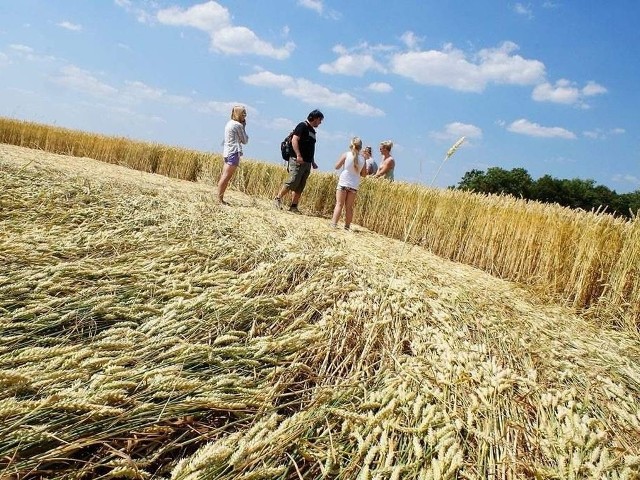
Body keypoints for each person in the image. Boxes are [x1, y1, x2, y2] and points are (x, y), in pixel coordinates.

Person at [273, 109, 324, 213]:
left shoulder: (313, 131)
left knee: (301, 184)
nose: (320, 122)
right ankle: (277, 198)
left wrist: (312, 161)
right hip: (297, 159)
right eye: (320, 120)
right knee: (293, 180)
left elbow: (311, 147)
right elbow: (294, 140)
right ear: (315, 118)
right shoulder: (302, 126)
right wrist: (298, 155)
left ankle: (294, 206)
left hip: (307, 162)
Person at [330, 136, 367, 230]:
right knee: (349, 207)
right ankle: (347, 226)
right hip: (354, 184)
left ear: (351, 145)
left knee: (339, 204)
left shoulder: (346, 155)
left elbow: (336, 167)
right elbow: (364, 174)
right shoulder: (363, 159)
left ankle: (334, 224)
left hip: (343, 182)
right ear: (360, 147)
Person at [217, 105, 248, 205]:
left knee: (224, 175)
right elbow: (245, 140)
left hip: (227, 151)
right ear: (238, 114)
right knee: (226, 176)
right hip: (234, 152)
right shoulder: (238, 125)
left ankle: (219, 198)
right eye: (243, 113)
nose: (245, 115)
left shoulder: (229, 123)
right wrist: (244, 127)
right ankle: (219, 199)